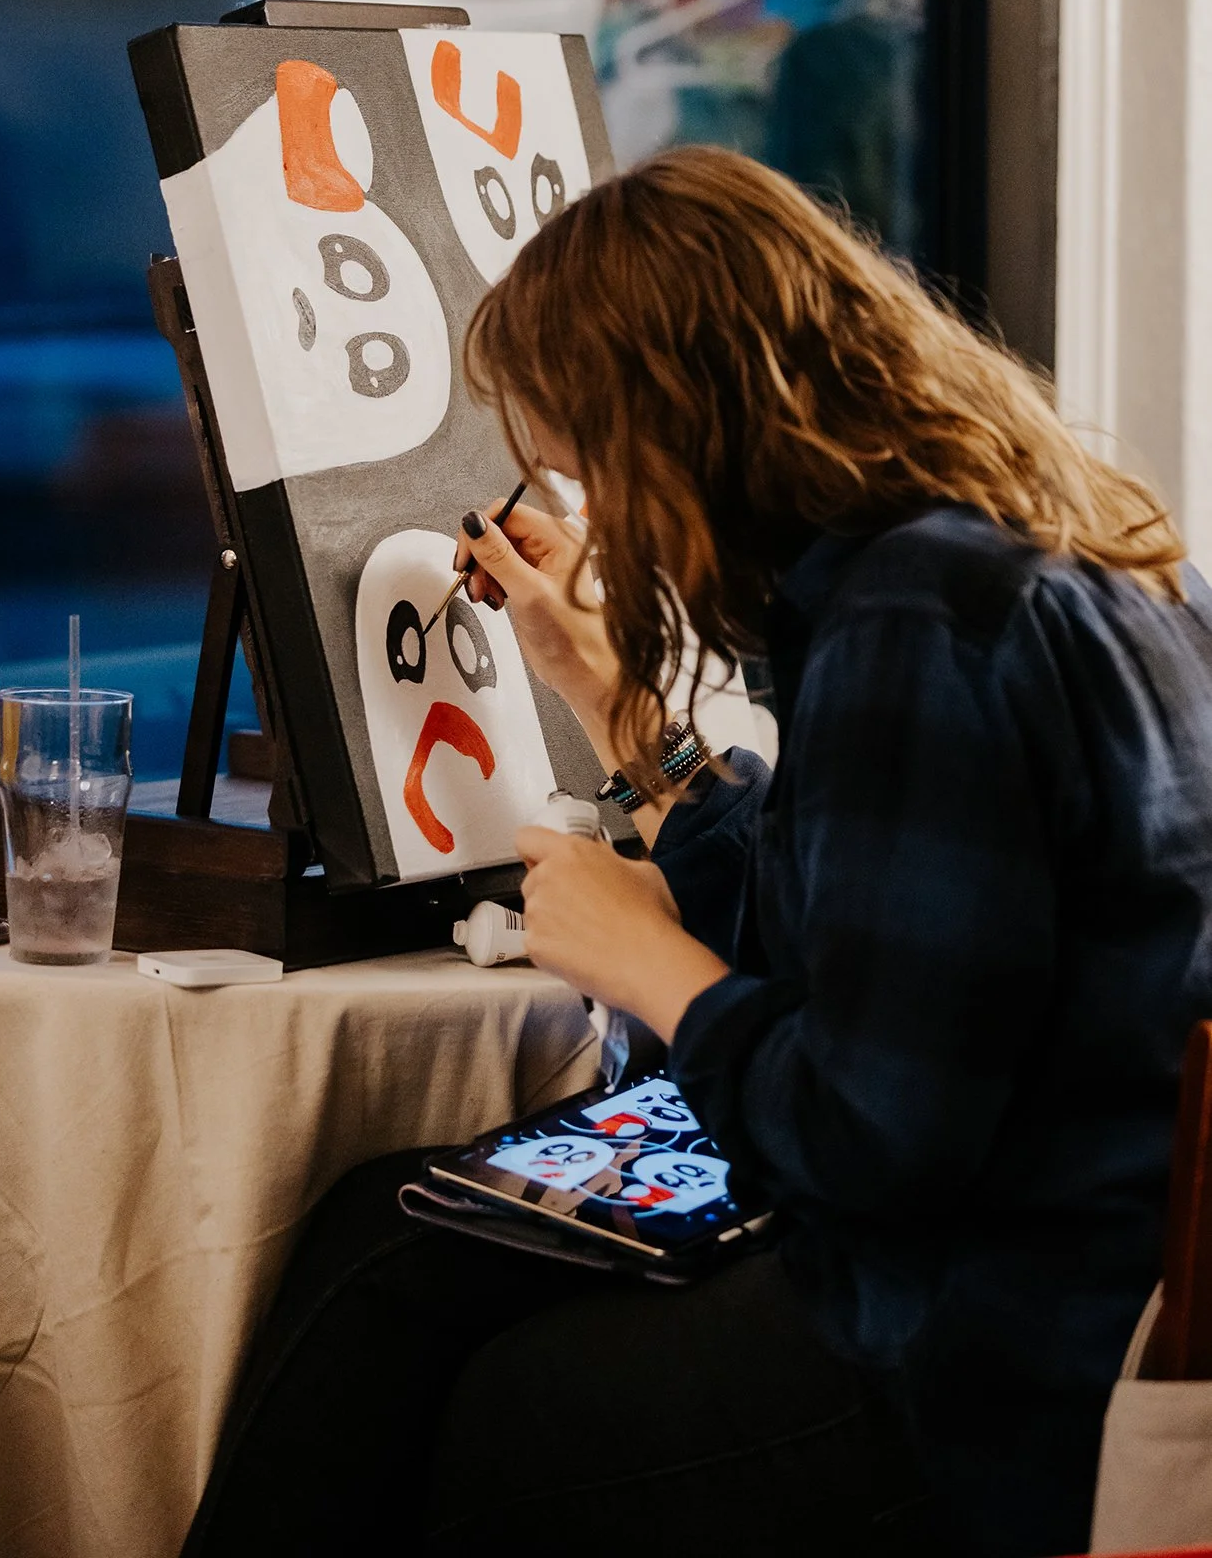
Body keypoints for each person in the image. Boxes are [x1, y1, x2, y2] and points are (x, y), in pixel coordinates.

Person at [182, 147, 1212, 1558]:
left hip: (994, 1364)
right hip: (1077, 1275)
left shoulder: (918, 624)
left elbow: (866, 1148)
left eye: (590, 463)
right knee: (390, 1234)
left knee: (476, 1409)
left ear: (681, 430)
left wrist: (652, 965)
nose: (600, 514)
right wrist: (616, 705)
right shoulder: (1050, 548)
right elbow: (860, 930)